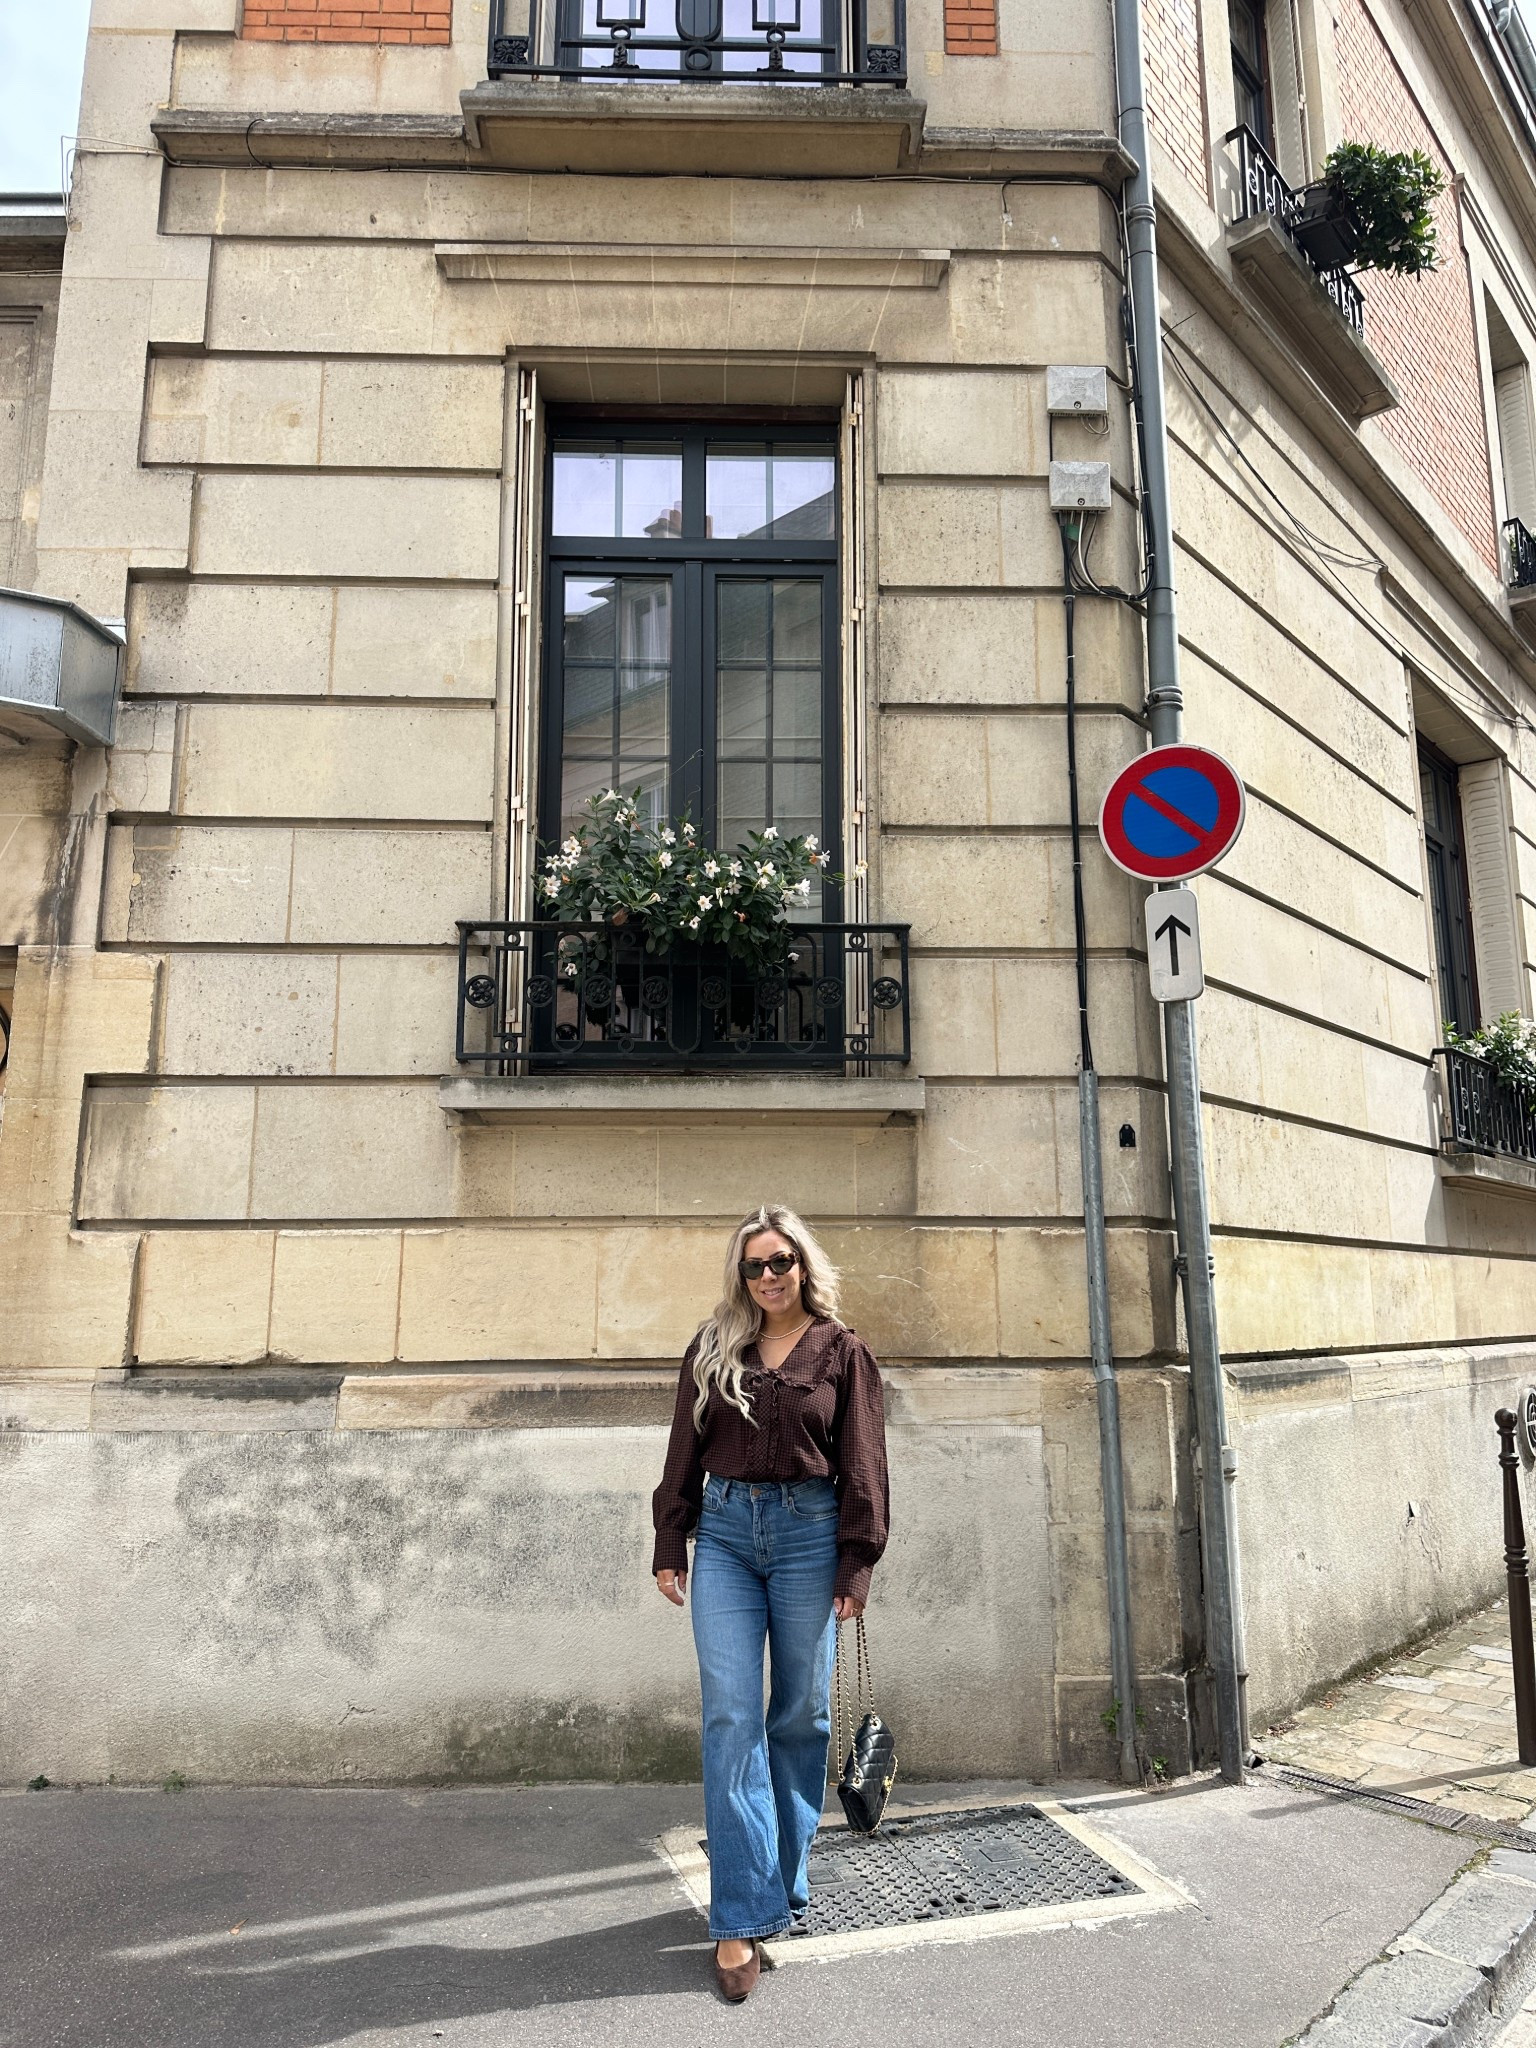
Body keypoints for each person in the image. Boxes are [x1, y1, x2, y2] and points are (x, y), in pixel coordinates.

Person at [652, 1203, 890, 2004]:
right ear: (740, 1275)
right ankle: (739, 1919)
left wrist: (855, 1565)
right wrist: (669, 1539)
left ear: (803, 1265)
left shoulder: (842, 1351)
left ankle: (778, 1884)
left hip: (807, 1536)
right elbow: (683, 1446)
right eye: (754, 1265)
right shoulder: (713, 1346)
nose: (768, 1277)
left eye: (780, 1261)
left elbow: (863, 1461)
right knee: (729, 1716)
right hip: (722, 1534)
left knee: (799, 1718)